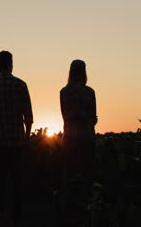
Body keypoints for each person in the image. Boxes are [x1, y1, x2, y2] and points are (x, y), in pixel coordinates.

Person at [0, 51, 33, 226]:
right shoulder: (21, 85)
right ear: (11, 64)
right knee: (17, 181)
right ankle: (17, 215)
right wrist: (26, 137)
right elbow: (29, 117)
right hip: (17, 142)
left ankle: (0, 213)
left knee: (0, 181)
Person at [59, 59, 97, 214]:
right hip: (87, 135)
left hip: (69, 137)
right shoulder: (90, 92)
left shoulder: (63, 92)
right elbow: (94, 118)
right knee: (87, 171)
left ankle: (69, 206)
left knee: (69, 172)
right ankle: (87, 206)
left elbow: (65, 116)